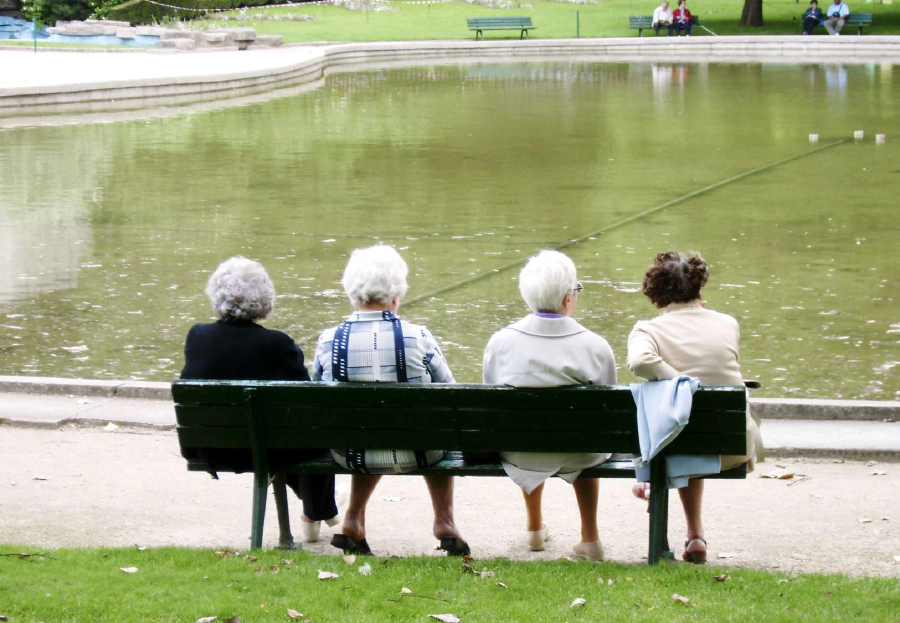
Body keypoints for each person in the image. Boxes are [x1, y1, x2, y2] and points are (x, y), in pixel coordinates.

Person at [313, 244, 469, 556]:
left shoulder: (330, 340)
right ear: (397, 293)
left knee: (368, 429)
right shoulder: (417, 337)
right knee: (435, 429)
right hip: (421, 453)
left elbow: (314, 396)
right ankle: (444, 519)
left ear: (353, 292)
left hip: (352, 452)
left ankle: (353, 518)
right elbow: (451, 394)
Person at [181, 256, 340, 546]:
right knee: (314, 429)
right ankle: (318, 510)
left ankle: (318, 509)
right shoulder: (278, 344)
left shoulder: (197, 337)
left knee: (285, 433)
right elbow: (308, 402)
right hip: (268, 451)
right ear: (264, 298)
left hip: (213, 448)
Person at [626, 251, 763, 564]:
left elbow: (640, 361)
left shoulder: (647, 331)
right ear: (700, 290)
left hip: (672, 447)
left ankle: (647, 476)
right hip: (731, 446)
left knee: (675, 417)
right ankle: (695, 535)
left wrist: (680, 383)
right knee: (694, 427)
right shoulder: (727, 323)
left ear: (656, 298)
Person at [483, 251, 616, 561]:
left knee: (525, 431)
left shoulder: (500, 343)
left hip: (519, 448)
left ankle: (533, 529)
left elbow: (491, 399)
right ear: (568, 298)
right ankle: (591, 538)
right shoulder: (595, 345)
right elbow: (607, 411)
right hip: (582, 448)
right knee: (588, 435)